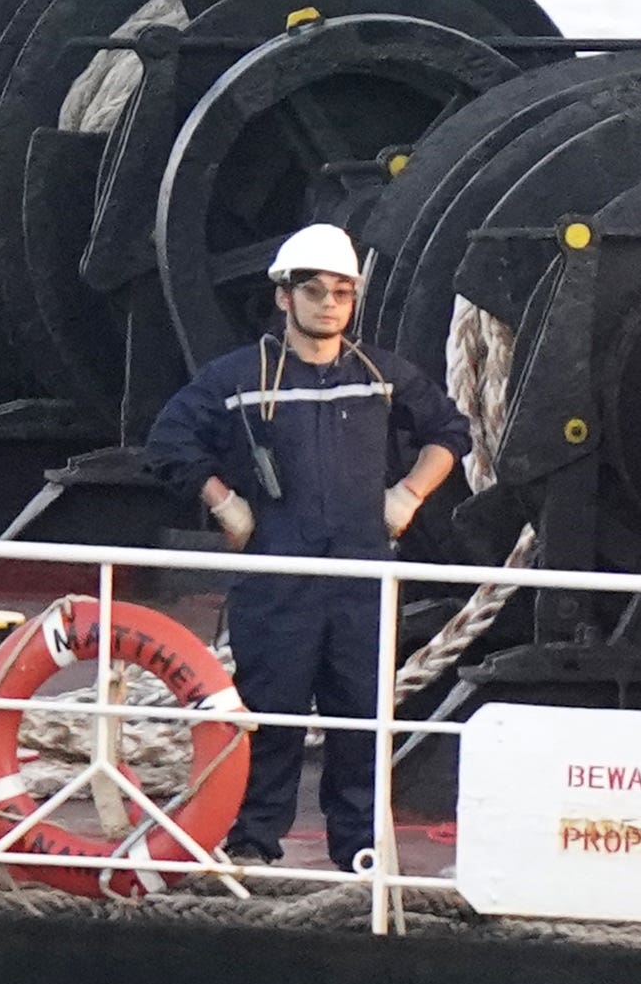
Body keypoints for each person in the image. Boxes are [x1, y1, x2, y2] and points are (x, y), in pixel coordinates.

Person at [143, 221, 472, 867]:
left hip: (360, 581)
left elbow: (449, 429)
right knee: (270, 721)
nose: (328, 304)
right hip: (276, 584)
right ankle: (254, 845)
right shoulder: (239, 379)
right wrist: (226, 503)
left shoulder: (382, 377)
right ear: (283, 297)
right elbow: (169, 439)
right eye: (315, 290)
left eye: (341, 293)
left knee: (360, 725)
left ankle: (358, 854)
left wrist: (407, 496)